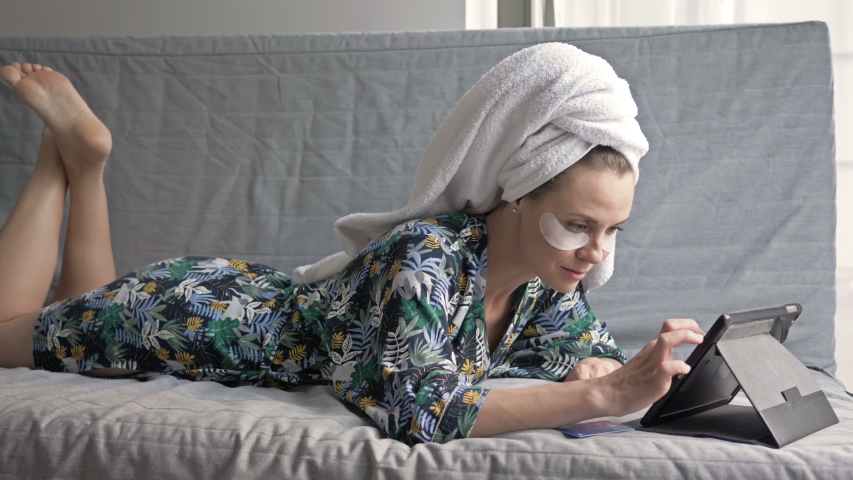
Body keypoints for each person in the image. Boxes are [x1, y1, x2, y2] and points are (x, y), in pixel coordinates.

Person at [0, 49, 704, 446]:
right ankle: (55, 161)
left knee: (75, 312)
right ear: (517, 195)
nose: (594, 252)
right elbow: (420, 411)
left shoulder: (546, 288)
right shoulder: (425, 257)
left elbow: (584, 350)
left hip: (208, 298)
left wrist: (604, 365)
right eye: (578, 225)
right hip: (189, 318)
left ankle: (83, 164)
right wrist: (604, 394)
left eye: (611, 231)